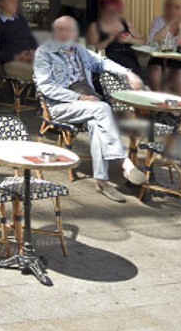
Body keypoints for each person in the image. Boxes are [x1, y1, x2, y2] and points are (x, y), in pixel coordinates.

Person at [34, 15, 143, 202]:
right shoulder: (44, 53)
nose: (64, 34)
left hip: (87, 105)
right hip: (59, 106)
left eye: (69, 30)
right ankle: (124, 162)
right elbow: (46, 88)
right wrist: (79, 97)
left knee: (96, 122)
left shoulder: (79, 50)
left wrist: (128, 73)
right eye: (60, 30)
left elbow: (102, 62)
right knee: (101, 109)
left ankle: (102, 182)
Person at [86, 0, 138, 70]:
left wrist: (130, 40)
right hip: (107, 59)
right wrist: (109, 39)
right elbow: (92, 50)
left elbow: (142, 41)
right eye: (110, 12)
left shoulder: (125, 22)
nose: (113, 15)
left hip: (128, 57)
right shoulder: (95, 26)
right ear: (103, 11)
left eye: (116, 12)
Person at [0, 0, 37, 66]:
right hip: (12, 62)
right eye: (11, 1)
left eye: (16, 1)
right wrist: (16, 57)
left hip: (30, 58)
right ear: (1, 3)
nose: (15, 4)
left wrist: (33, 51)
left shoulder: (21, 19)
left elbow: (31, 39)